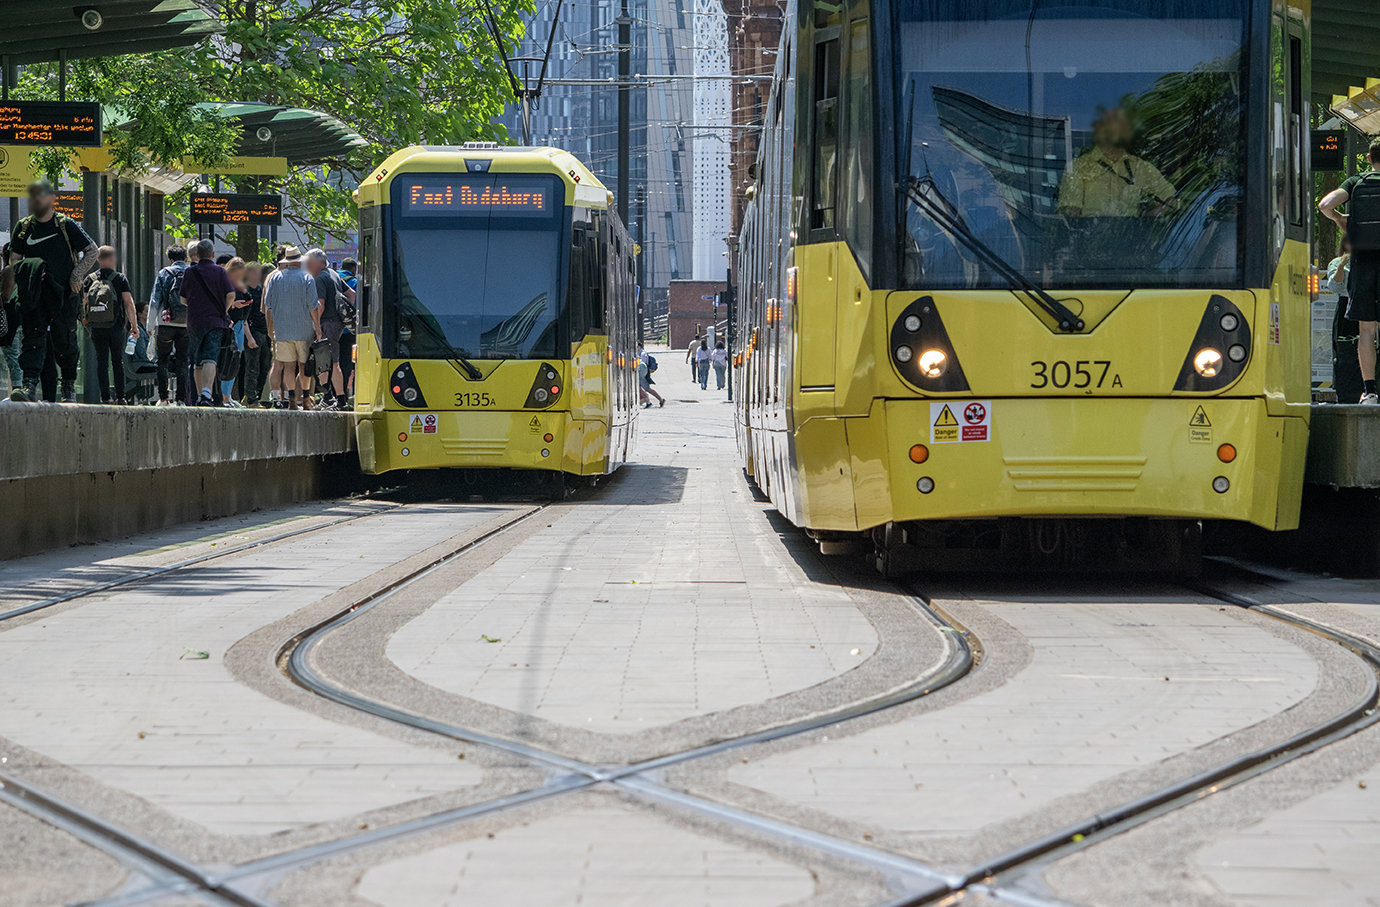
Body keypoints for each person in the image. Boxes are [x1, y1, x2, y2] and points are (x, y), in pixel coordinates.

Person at [1, 180, 100, 402]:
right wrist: (31, 270)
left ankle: (67, 387)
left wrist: (77, 275)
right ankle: (28, 386)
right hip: (34, 294)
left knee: (65, 340)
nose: (38, 199)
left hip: (64, 293)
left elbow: (91, 250)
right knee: (32, 338)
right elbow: (14, 259)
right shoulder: (23, 227)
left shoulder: (65, 224)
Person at [1320, 137, 1380, 405]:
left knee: (1366, 330)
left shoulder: (1356, 182)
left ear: (1369, 159)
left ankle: (1369, 391)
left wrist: (1340, 219)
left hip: (1364, 263)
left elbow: (1324, 205)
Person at [1057, 108, 1178, 218]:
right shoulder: (1078, 167)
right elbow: (1070, 216)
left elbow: (1173, 200)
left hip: (1132, 239)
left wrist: (1157, 211)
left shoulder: (1141, 167)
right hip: (1091, 238)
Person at [262, 246, 323, 410]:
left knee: (288, 366)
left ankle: (291, 400)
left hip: (282, 330)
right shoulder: (307, 278)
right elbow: (313, 306)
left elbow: (268, 304)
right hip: (303, 329)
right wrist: (317, 328)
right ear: (299, 261)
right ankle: (305, 398)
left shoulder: (275, 278)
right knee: (304, 366)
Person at [180, 238, 237, 407]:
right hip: (215, 321)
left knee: (197, 360)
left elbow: (183, 299)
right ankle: (207, 393)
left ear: (197, 254)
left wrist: (195, 305)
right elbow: (231, 295)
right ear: (212, 254)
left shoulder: (190, 273)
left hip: (195, 321)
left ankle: (198, 395)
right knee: (210, 358)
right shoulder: (220, 272)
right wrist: (223, 310)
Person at [80, 246, 139, 404]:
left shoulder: (90, 279)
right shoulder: (119, 278)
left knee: (102, 361)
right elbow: (128, 303)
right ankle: (121, 397)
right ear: (112, 259)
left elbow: (84, 302)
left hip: (97, 326)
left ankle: (105, 396)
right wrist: (134, 325)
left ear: (98, 259)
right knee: (117, 360)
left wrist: (85, 321)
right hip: (116, 326)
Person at [305, 249, 354, 409]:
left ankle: (337, 400)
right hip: (337, 324)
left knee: (330, 363)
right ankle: (330, 397)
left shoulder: (320, 278)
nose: (308, 266)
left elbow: (320, 306)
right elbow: (351, 294)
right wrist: (345, 314)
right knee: (328, 362)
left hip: (326, 324)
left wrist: (317, 329)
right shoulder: (333, 274)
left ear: (319, 262)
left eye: (310, 263)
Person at [148, 244, 191, 405]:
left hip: (165, 323)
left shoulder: (164, 273)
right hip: (186, 324)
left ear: (170, 259)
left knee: (162, 361)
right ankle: (180, 399)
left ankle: (163, 397)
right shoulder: (191, 273)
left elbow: (155, 300)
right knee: (182, 361)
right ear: (185, 258)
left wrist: (150, 325)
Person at [1327, 239, 1363, 404]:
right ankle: (1348, 393)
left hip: (1366, 306)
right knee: (1345, 349)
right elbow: (1334, 287)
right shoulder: (1336, 263)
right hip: (1346, 306)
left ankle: (1368, 388)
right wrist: (1342, 266)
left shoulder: (1368, 263)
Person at [219, 257, 252, 405]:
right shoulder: (222, 283)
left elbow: (250, 301)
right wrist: (233, 306)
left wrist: (243, 291)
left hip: (239, 324)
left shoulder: (239, 286)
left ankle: (228, 395)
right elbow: (219, 304)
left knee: (235, 360)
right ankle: (222, 395)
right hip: (228, 325)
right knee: (226, 359)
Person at [241, 262, 271, 407]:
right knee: (252, 366)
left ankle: (254, 395)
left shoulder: (262, 289)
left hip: (265, 332)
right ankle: (251, 398)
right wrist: (249, 337)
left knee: (265, 366)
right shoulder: (245, 291)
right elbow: (243, 316)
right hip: (253, 332)